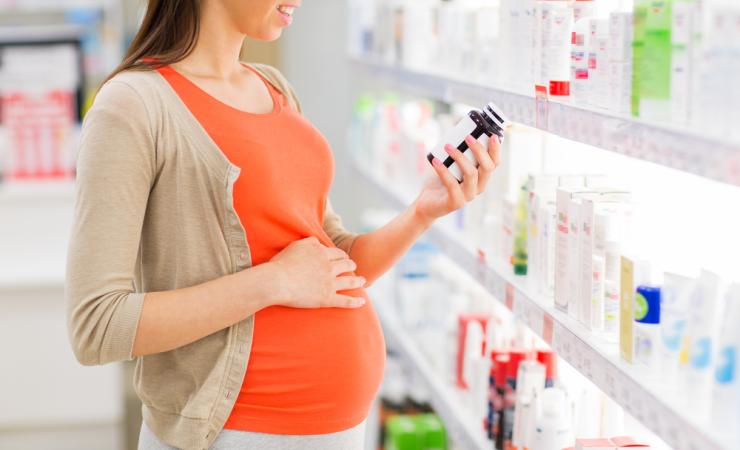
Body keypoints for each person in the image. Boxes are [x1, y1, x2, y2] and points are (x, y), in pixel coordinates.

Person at [65, 1, 501, 449]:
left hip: (342, 428)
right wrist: (272, 282)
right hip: (235, 433)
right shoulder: (133, 105)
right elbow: (98, 324)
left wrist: (422, 212)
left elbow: (332, 264)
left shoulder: (273, 88)